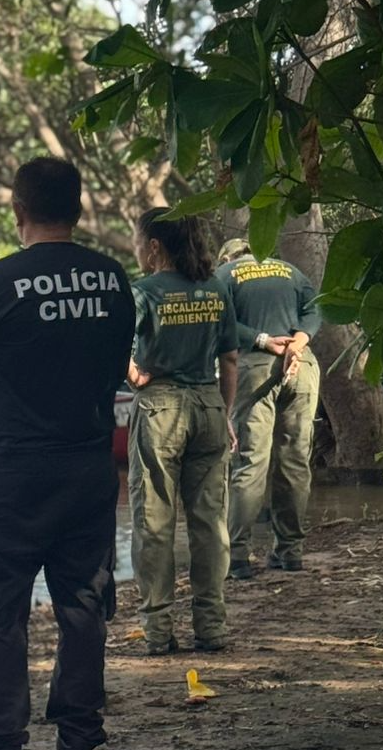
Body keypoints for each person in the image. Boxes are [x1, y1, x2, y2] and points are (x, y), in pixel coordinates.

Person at [0, 156, 136, 750]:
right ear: (79, 210)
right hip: (87, 463)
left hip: (16, 467)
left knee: (1, 610)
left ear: (17, 210)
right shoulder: (112, 279)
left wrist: (6, 419)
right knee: (84, 607)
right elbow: (117, 367)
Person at [127, 208, 238, 656]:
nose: (136, 249)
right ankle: (211, 629)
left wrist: (133, 374)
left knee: (154, 524)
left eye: (138, 241)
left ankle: (158, 632)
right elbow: (230, 359)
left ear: (154, 247)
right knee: (209, 524)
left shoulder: (144, 291)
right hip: (209, 404)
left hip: (160, 409)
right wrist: (225, 414)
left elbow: (115, 344)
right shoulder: (215, 287)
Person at [215, 238, 322, 577]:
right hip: (302, 366)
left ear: (229, 257)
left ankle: (238, 557)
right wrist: (299, 341)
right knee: (295, 460)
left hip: (255, 369)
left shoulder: (224, 274)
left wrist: (261, 340)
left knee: (251, 462)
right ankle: (290, 552)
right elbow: (316, 308)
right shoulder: (290, 270)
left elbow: (219, 320)